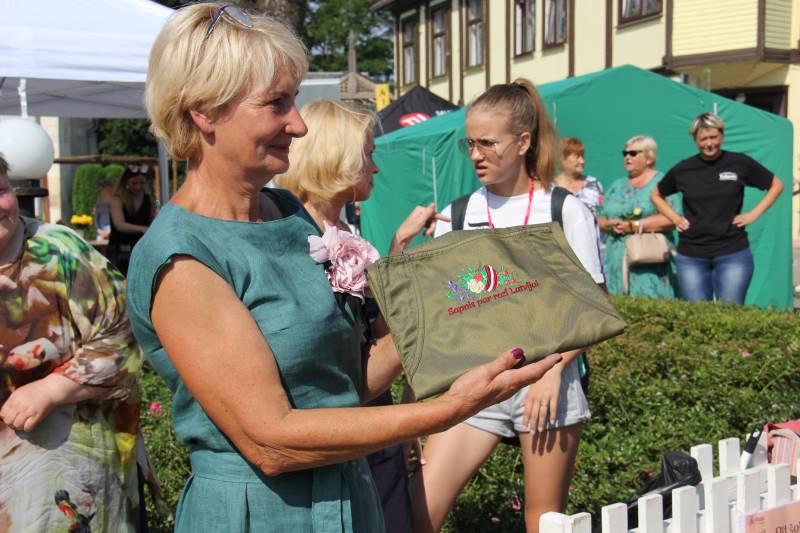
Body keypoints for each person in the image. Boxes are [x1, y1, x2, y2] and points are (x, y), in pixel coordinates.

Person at [127, 5, 560, 532]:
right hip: (261, 515)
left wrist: (453, 310)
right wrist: (449, 410)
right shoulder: (183, 255)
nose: (298, 123)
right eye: (276, 104)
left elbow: (345, 383)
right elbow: (271, 441)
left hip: (349, 499)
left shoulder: (287, 214)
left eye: (295, 100)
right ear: (204, 111)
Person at [409, 80, 604, 533]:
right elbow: (442, 315)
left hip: (550, 381)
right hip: (478, 382)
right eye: (470, 143)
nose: (476, 154)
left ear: (522, 142)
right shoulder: (458, 214)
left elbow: (592, 309)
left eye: (488, 143)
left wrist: (552, 371)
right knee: (418, 515)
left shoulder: (565, 209)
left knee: (543, 522)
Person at [276, 99, 445, 533]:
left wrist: (398, 253)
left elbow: (380, 336)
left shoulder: (347, 236)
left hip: (372, 425)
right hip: (335, 435)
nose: (375, 167)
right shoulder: (292, 243)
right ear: (337, 157)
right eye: (367, 154)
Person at [0, 153, 150, 531]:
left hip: (71, 479)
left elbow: (126, 332)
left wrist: (52, 389)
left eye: (0, 190)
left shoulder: (59, 251)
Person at [651, 112, 783, 304]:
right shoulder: (684, 169)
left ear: (722, 135)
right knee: (698, 315)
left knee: (730, 313)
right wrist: (675, 218)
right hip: (691, 256)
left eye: (713, 137)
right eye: (703, 139)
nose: (709, 144)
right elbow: (656, 195)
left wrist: (753, 214)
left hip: (733, 253)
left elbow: (776, 185)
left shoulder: (739, 163)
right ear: (695, 140)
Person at [596, 135, 678, 297]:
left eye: (633, 153)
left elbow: (673, 218)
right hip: (615, 262)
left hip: (650, 265)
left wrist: (634, 226)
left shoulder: (663, 184)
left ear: (649, 158)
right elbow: (599, 216)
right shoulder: (617, 185)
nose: (627, 157)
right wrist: (607, 224)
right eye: (625, 153)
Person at [108, 164, 156, 275]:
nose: (138, 187)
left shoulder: (149, 200)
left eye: (142, 183)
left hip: (141, 250)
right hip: (119, 250)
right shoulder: (117, 199)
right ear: (126, 182)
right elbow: (119, 225)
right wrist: (142, 229)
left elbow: (153, 222)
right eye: (134, 183)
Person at [554, 137, 603, 215]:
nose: (582, 161)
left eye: (582, 156)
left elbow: (602, 213)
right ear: (562, 159)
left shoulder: (594, 184)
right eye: (577, 157)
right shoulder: (551, 187)